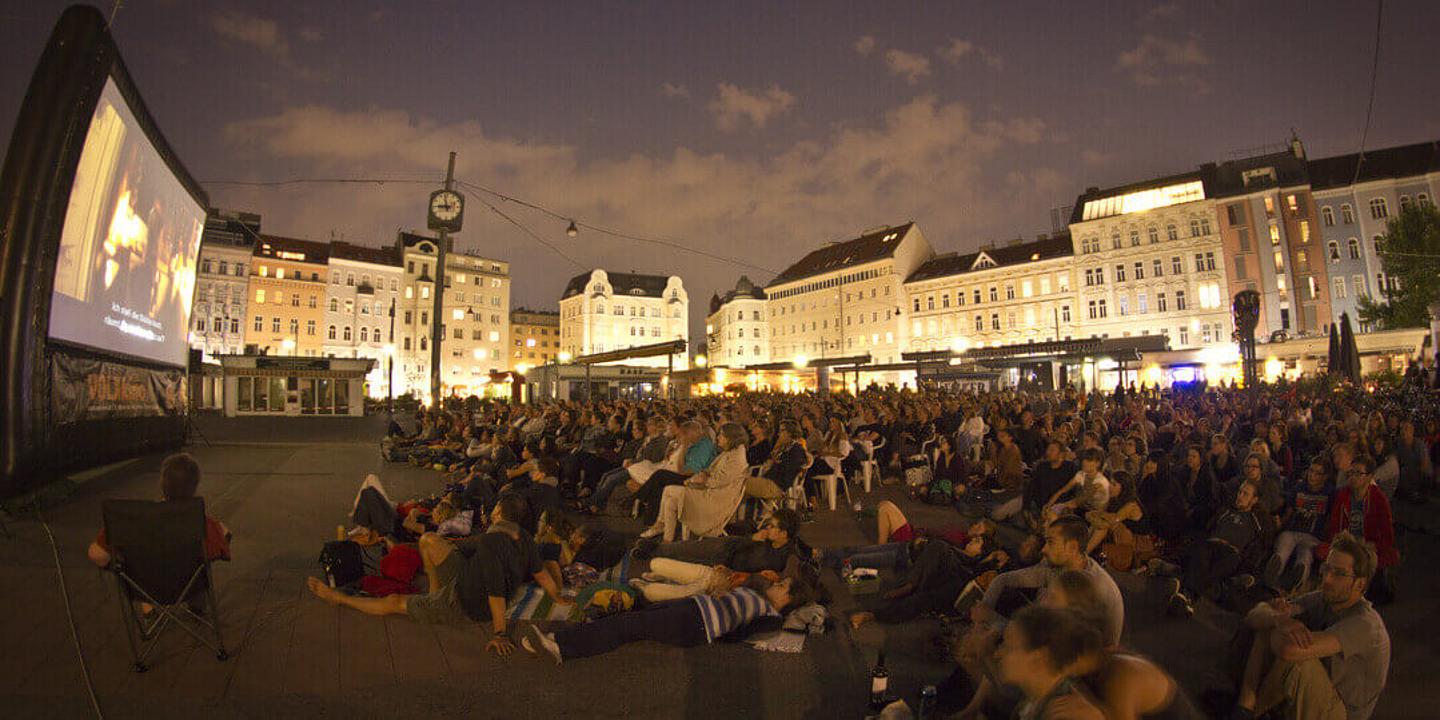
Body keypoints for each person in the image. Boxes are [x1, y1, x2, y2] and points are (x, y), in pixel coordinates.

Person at [305, 494, 570, 656]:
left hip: (462, 602)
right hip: (466, 575)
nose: (492, 511)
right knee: (430, 539)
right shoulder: (522, 537)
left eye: (495, 508)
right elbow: (541, 574)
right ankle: (434, 588)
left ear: (499, 513)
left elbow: (495, 593)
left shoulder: (493, 543)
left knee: (396, 601)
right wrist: (557, 596)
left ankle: (336, 598)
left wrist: (499, 633)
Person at [1233, 532, 1390, 720]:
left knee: (1299, 660)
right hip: (1316, 696)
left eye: (1339, 574)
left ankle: (1252, 713)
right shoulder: (1323, 598)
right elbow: (1255, 615)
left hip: (1341, 713)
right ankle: (1245, 708)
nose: (1327, 579)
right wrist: (1279, 619)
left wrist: (1280, 624)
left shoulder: (1366, 624)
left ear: (1359, 584)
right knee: (1267, 624)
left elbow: (1289, 650)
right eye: (1326, 569)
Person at [522, 574, 813, 663]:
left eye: (782, 586)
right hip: (693, 608)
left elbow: (743, 635)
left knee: (626, 627)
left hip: (697, 625)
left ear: (787, 599)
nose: (776, 585)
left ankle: (562, 647)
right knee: (632, 618)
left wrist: (720, 623)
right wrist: (723, 594)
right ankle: (561, 639)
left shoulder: (772, 616)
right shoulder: (759, 595)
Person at [974, 515, 1125, 647]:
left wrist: (991, 618)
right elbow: (1003, 580)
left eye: (1051, 542)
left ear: (1072, 547)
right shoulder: (1058, 565)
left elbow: (1046, 643)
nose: (1044, 549)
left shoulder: (1089, 589)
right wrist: (981, 621)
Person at [88, 452, 233, 568]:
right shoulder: (201, 523)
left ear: (162, 483)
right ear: (195, 487)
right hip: (189, 588)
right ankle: (196, 604)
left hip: (144, 588)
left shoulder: (132, 521)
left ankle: (148, 605)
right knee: (202, 564)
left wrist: (125, 566)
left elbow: (96, 554)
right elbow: (224, 538)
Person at [1163, 480, 1266, 618]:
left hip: (1231, 552)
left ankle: (1183, 592)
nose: (1240, 496)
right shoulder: (1225, 512)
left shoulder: (1256, 522)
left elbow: (1257, 547)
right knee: (1200, 558)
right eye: (1240, 492)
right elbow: (1208, 529)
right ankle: (1216, 590)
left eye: (1245, 494)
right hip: (1211, 545)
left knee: (1213, 570)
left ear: (1254, 500)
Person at [994, 606, 1106, 720]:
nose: (998, 653)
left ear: (1037, 659)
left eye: (1008, 647)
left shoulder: (1064, 714)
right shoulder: (1034, 699)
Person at [643, 422, 749, 542]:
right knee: (670, 502)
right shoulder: (730, 452)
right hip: (711, 492)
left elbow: (717, 481)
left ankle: (660, 525)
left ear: (731, 438)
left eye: (721, 435)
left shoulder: (737, 458)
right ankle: (667, 539)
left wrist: (700, 479)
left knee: (669, 489)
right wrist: (702, 475)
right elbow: (711, 470)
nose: (718, 437)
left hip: (715, 499)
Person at [1316, 457, 1398, 604]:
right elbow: (1335, 526)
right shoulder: (1343, 495)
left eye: (1358, 473)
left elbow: (1387, 534)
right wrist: (1341, 538)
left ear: (1370, 477)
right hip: (1346, 542)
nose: (1353, 477)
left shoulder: (1378, 499)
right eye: (1351, 473)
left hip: (1367, 544)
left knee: (1371, 560)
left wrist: (1374, 545)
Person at [1264, 461, 1333, 592]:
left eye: (1318, 473)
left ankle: (1295, 583)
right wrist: (1279, 525)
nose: (1312, 475)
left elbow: (1330, 519)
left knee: (1305, 555)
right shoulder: (1300, 488)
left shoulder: (1329, 492)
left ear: (1325, 476)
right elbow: (1289, 512)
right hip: (1292, 531)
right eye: (1311, 471)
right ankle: (1270, 579)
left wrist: (1326, 538)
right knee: (1282, 551)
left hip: (1312, 535)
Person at [744, 420, 808, 502]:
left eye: (781, 431)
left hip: (775, 485)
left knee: (737, 484)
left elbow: (788, 470)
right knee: (737, 484)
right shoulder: (786, 448)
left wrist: (775, 462)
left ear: (789, 433)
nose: (778, 434)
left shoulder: (796, 450)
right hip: (769, 481)